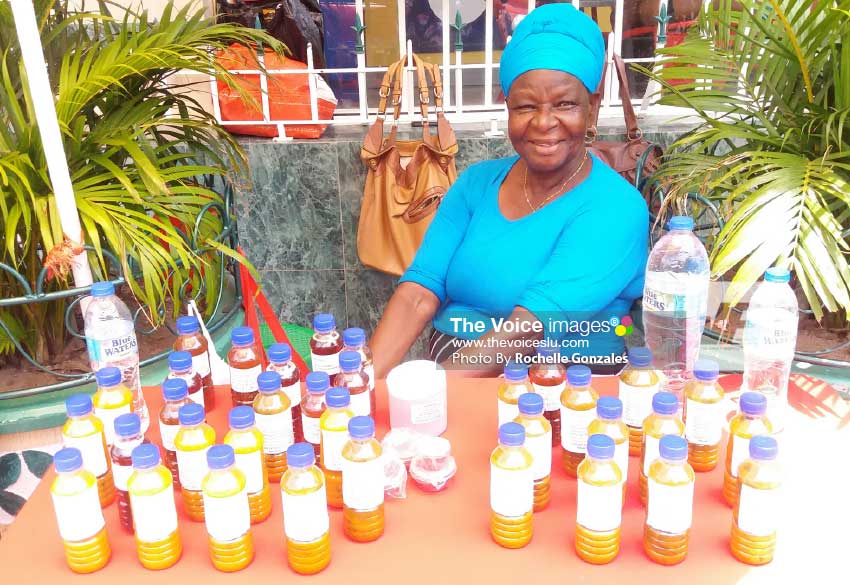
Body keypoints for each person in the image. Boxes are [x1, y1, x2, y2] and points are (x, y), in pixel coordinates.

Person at [370, 3, 648, 379]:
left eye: (565, 104)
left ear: (592, 107)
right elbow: (419, 293)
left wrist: (429, 391)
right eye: (526, 106)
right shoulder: (476, 183)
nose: (544, 122)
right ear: (508, 109)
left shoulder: (615, 207)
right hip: (456, 370)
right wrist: (363, 386)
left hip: (564, 382)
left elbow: (529, 329)